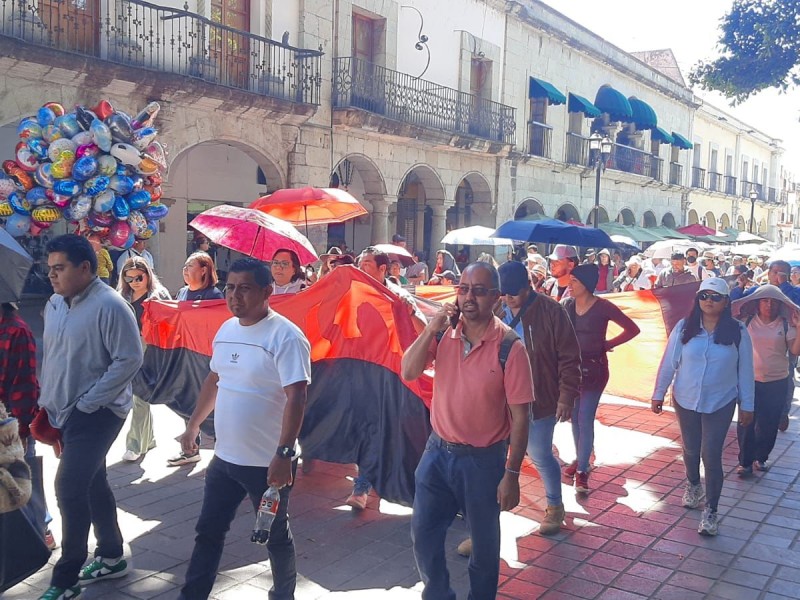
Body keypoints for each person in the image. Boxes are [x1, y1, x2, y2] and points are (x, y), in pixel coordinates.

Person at [177, 258, 311, 600]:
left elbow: (297, 396)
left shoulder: (286, 336)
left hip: (268, 465)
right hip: (224, 459)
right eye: (230, 288)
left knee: (275, 536)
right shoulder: (226, 330)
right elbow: (215, 378)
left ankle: (283, 594)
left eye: (245, 288)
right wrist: (193, 426)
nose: (235, 296)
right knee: (208, 532)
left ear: (267, 292)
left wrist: (284, 454)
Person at [401, 262, 534, 600]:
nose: (469, 297)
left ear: (495, 298)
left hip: (483, 462)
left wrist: (512, 474)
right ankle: (438, 594)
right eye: (463, 289)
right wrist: (431, 328)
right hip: (437, 454)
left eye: (478, 290)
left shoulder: (510, 348)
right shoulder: (445, 333)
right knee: (424, 534)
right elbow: (409, 370)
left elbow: (521, 418)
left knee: (484, 549)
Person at [37, 234, 143, 600]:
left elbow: (129, 359)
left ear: (85, 268)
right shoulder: (53, 304)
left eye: (60, 268)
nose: (52, 276)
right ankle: (112, 555)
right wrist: (48, 402)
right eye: (49, 268)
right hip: (63, 410)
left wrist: (89, 402)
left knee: (68, 486)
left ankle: (65, 579)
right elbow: (55, 356)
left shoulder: (111, 305)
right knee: (93, 480)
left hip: (98, 413)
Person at [652, 277, 754, 536]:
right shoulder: (684, 327)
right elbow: (669, 362)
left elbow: (745, 370)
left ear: (726, 302)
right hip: (685, 399)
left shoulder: (738, 331)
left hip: (721, 401)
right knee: (690, 449)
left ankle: (712, 510)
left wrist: (747, 406)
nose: (709, 301)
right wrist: (658, 393)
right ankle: (693, 484)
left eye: (716, 297)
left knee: (711, 454)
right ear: (697, 300)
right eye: (704, 296)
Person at [497, 261, 581, 534]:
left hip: (539, 397)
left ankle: (555, 507)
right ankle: (486, 519)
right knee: (494, 456)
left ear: (528, 286)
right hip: (500, 398)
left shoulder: (551, 311)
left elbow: (569, 356)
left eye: (513, 293)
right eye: (504, 293)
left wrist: (566, 396)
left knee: (539, 454)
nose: (508, 298)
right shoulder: (497, 308)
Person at [344, 247, 427, 509]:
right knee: (365, 428)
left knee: (385, 430)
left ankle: (372, 484)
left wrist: (410, 312)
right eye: (359, 263)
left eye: (367, 264)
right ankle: (366, 482)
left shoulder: (398, 296)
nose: (361, 268)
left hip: (392, 376)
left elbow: (424, 331)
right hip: (361, 373)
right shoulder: (352, 295)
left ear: (382, 269)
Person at [562, 264, 640, 493]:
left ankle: (583, 469)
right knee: (574, 418)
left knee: (585, 417)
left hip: (595, 371)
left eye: (574, 281)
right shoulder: (566, 305)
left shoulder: (603, 306)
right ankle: (581, 457)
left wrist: (606, 345)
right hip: (571, 370)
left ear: (586, 284)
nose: (570, 284)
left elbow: (632, 329)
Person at [0, 301, 55, 550]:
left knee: (23, 475)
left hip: (9, 425)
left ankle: (41, 529)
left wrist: (21, 430)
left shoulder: (15, 329)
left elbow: (24, 384)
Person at [733, 286, 800, 475]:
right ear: (757, 303)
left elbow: (795, 351)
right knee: (746, 422)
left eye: (773, 301)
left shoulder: (786, 324)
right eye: (765, 300)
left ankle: (761, 457)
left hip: (777, 381)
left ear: (780, 305)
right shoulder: (746, 322)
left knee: (769, 423)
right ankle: (745, 462)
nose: (769, 305)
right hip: (748, 381)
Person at [117, 257, 172, 462]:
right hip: (125, 349)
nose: (134, 282)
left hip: (149, 350)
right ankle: (146, 440)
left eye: (139, 277)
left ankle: (135, 444)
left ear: (148, 274)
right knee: (138, 396)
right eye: (129, 278)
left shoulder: (158, 296)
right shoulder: (121, 296)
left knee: (140, 396)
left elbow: (170, 324)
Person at [731, 259, 800, 305]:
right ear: (769, 273)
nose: (778, 275)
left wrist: (784, 285)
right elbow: (736, 303)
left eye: (782, 273)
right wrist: (740, 287)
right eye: (775, 272)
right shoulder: (758, 290)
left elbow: (795, 305)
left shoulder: (796, 291)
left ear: (788, 275)